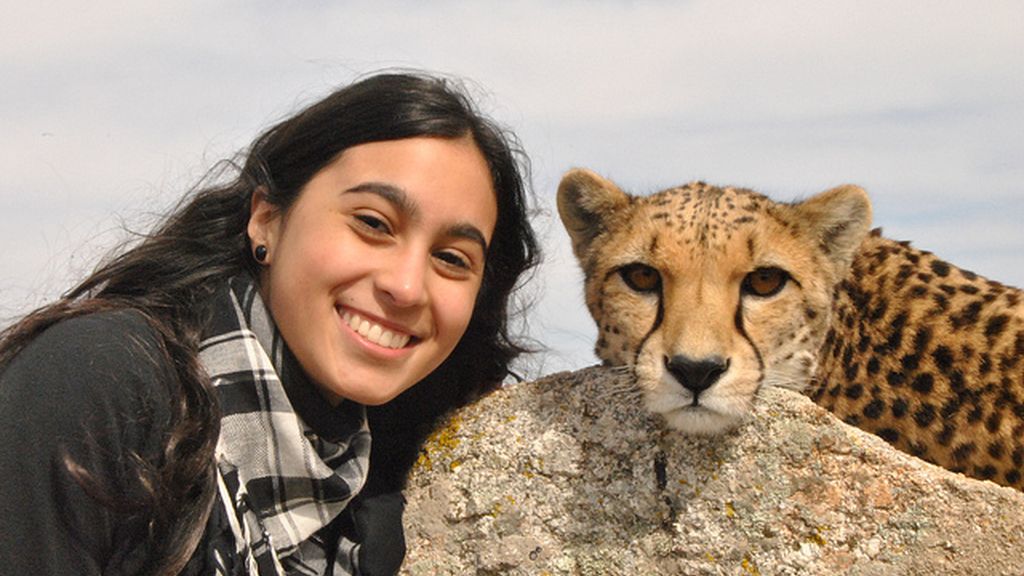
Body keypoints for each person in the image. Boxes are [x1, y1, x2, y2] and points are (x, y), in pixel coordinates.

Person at [0, 72, 539, 576]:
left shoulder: (376, 513)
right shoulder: (104, 383)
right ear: (266, 219)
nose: (405, 286)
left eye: (452, 258)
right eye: (373, 223)